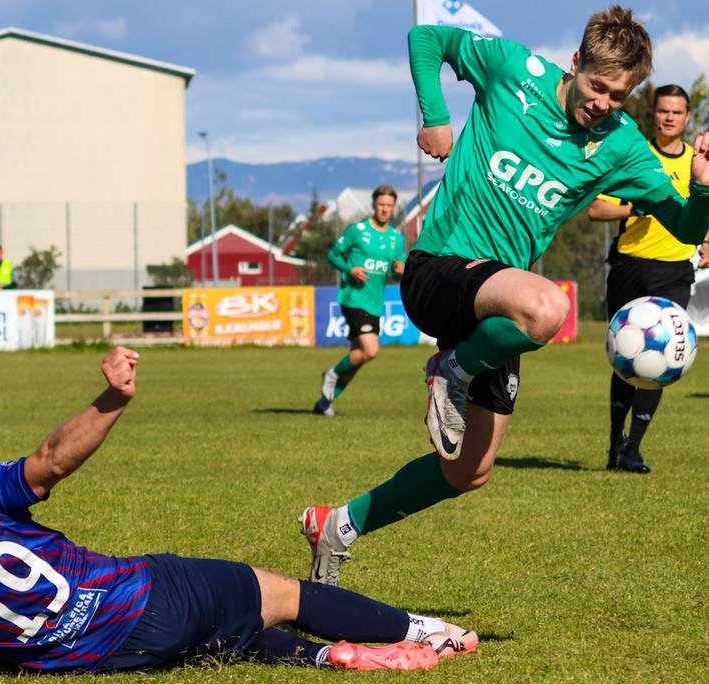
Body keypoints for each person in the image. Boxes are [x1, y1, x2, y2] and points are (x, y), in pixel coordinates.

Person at [300, 6, 709, 586]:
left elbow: (687, 227)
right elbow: (427, 38)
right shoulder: (515, 68)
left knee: (469, 471)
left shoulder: (621, 145)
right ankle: (452, 369)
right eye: (597, 86)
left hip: (498, 305)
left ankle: (337, 526)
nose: (603, 103)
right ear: (576, 62)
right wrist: (436, 116)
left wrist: (704, 188)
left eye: (618, 96)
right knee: (549, 308)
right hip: (438, 269)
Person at [0, 347, 477, 674]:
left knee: (229, 634)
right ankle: (427, 631)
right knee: (278, 592)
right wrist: (113, 399)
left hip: (109, 658)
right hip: (139, 599)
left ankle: (327, 658)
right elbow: (53, 458)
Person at [587, 84, 708, 473]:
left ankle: (633, 449)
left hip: (674, 271)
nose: (669, 117)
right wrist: (638, 207)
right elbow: (596, 209)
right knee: (625, 355)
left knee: (664, 360)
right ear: (653, 114)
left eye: (677, 111)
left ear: (687, 117)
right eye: (663, 110)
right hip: (630, 266)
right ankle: (614, 443)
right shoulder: (636, 156)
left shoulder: (697, 161)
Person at [314, 186, 406, 417]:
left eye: (389, 205)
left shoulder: (397, 238)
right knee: (370, 350)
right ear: (374, 205)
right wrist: (350, 269)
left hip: (375, 303)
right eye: (381, 204)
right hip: (354, 298)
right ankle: (332, 374)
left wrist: (400, 271)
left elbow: (397, 274)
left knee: (358, 357)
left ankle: (324, 403)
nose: (384, 209)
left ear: (393, 208)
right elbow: (332, 255)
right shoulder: (357, 230)